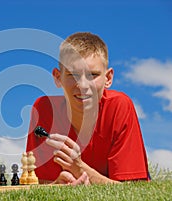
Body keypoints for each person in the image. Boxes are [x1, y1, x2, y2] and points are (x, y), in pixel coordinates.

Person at [26, 32, 149, 185]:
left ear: (108, 78)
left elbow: (134, 190)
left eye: (93, 75)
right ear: (58, 77)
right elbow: (39, 185)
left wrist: (78, 168)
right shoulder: (43, 110)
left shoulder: (119, 106)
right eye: (72, 74)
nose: (83, 85)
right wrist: (57, 187)